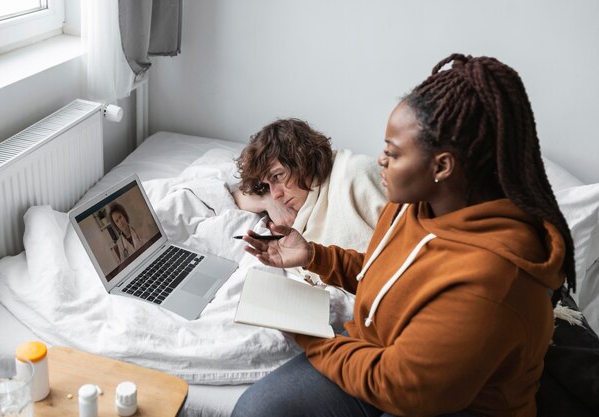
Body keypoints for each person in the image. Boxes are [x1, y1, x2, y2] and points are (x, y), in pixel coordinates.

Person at [231, 54, 576, 417]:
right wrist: (315, 256)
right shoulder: (413, 204)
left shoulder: (494, 278)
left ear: (442, 166)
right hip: (382, 349)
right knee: (257, 410)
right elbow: (390, 276)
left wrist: (308, 335)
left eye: (393, 154)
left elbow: (398, 386)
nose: (381, 161)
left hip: (447, 401)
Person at [233, 118, 334, 227]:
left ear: (304, 159)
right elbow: (234, 195)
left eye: (278, 176)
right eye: (267, 184)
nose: (275, 195)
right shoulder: (277, 196)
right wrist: (267, 201)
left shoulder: (346, 174)